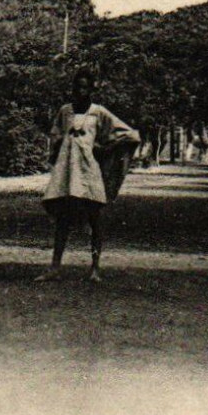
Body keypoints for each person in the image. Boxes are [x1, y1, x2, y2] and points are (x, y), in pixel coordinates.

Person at [37, 70, 140, 283]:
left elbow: (129, 134)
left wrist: (105, 147)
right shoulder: (65, 111)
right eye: (76, 87)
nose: (80, 92)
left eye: (84, 87)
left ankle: (95, 268)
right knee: (63, 219)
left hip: (88, 170)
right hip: (68, 171)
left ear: (92, 89)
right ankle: (55, 267)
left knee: (94, 217)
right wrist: (59, 146)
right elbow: (55, 132)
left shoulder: (98, 112)